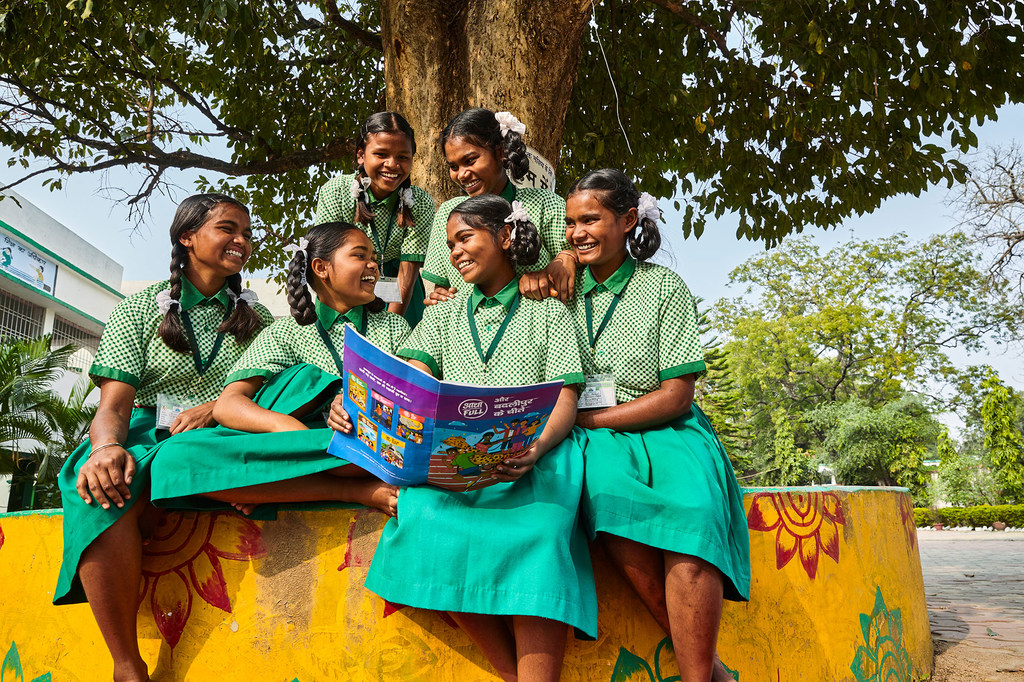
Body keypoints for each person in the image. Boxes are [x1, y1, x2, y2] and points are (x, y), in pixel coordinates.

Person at [332, 195, 596, 682]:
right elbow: (411, 378)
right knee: (425, 522)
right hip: (452, 469)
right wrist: (353, 401)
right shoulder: (441, 315)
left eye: (465, 238)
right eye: (450, 242)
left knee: (541, 538)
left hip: (534, 461)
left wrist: (536, 448)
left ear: (506, 238)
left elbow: (566, 396)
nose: (454, 252)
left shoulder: (549, 312)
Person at [53, 194, 274, 682]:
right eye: (228, 228)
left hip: (217, 436)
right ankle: (126, 665)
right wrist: (106, 448)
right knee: (99, 485)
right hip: (145, 431)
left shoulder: (261, 322)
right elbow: (114, 405)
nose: (242, 240)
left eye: (247, 232)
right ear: (186, 237)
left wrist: (215, 410)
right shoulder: (138, 309)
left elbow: (269, 396)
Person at [564, 169, 750, 682]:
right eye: (570, 222)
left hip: (667, 428)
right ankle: (710, 672)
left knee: (694, 515)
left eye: (591, 219)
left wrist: (592, 418)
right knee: (607, 502)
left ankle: (697, 678)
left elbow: (676, 395)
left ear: (627, 220)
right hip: (596, 440)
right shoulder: (560, 287)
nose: (578, 232)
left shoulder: (663, 286)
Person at [147, 222, 408, 516]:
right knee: (175, 457)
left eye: (374, 257)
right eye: (360, 256)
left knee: (394, 452)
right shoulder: (285, 331)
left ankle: (270, 485)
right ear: (321, 268)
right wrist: (289, 432)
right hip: (303, 446)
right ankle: (350, 491)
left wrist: (357, 400)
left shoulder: (394, 327)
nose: (373, 264)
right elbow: (229, 405)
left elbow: (408, 399)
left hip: (366, 447)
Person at [422, 108, 578, 304]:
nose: (461, 174)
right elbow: (442, 286)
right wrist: (440, 297)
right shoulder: (447, 213)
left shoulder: (545, 204)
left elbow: (579, 252)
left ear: (501, 152)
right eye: (454, 167)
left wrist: (565, 259)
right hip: (469, 330)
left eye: (470, 161)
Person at [315, 111, 435, 325]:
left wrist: (390, 328)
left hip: (402, 296)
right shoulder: (336, 192)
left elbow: (408, 270)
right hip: (343, 287)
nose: (392, 164)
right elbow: (327, 261)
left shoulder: (421, 202)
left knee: (397, 355)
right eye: (381, 154)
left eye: (403, 157)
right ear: (361, 155)